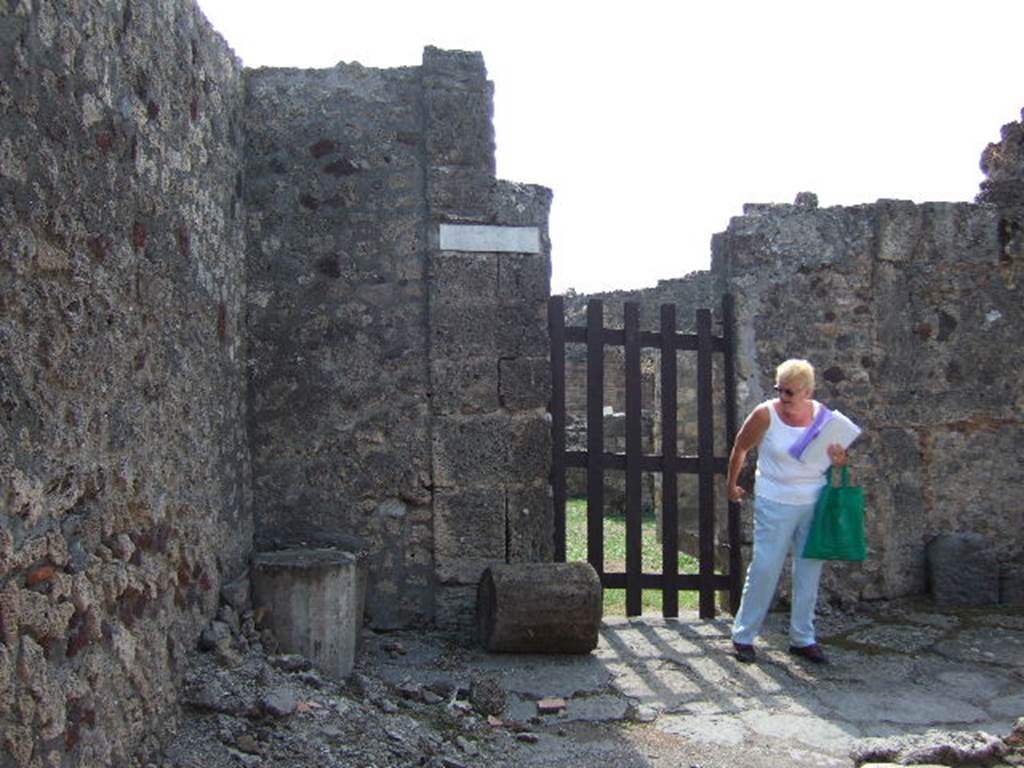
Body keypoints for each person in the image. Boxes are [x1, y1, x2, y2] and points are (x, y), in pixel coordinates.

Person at [727, 359, 848, 665]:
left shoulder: (823, 416)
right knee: (766, 566)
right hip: (775, 499)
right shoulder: (765, 414)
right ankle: (743, 635)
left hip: (813, 500)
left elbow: (837, 459)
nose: (782, 396)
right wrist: (732, 484)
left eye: (790, 392)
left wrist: (839, 458)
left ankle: (803, 638)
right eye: (779, 389)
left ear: (807, 392)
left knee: (809, 568)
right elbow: (740, 448)